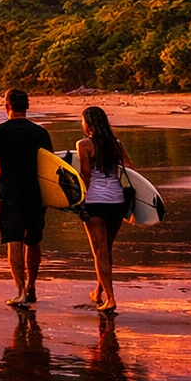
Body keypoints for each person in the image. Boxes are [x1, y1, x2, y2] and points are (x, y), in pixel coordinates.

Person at [0, 88, 52, 307]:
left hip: (9, 193)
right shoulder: (40, 133)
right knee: (34, 240)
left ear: (7, 107)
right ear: (27, 107)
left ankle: (20, 291)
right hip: (34, 193)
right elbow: (50, 168)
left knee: (14, 241)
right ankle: (31, 287)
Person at [76, 105, 135, 313]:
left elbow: (85, 175)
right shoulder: (116, 144)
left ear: (89, 123)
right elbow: (130, 168)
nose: (81, 124)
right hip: (117, 202)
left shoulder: (84, 145)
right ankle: (98, 292)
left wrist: (80, 201)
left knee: (99, 252)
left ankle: (110, 298)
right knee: (106, 250)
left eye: (82, 120)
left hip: (95, 202)